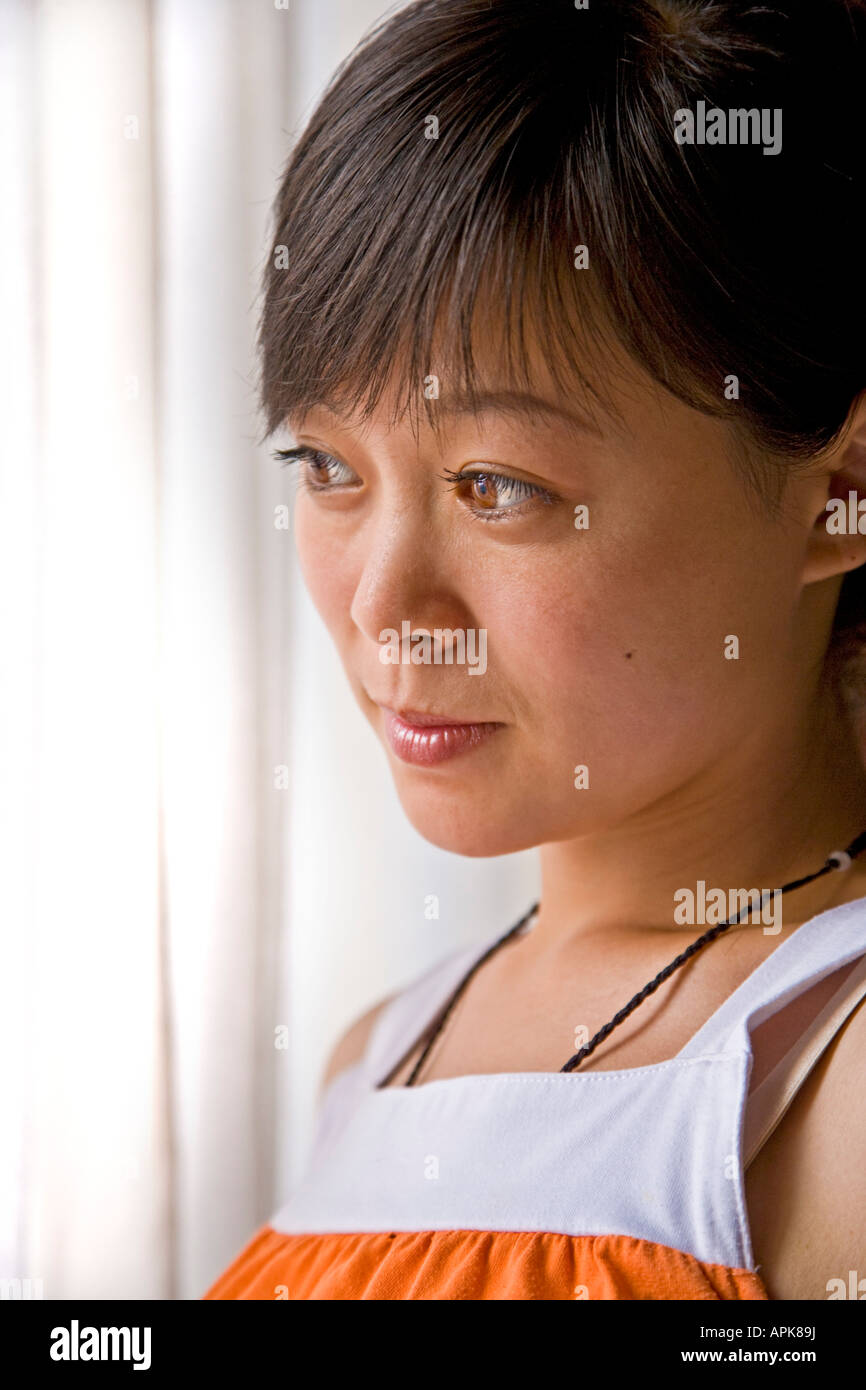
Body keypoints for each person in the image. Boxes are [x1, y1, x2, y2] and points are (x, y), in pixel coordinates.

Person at [205, 0, 866, 1300]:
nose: (387, 606)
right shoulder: (374, 1059)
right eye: (327, 465)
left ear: (840, 487)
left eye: (497, 486)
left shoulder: (825, 1084)